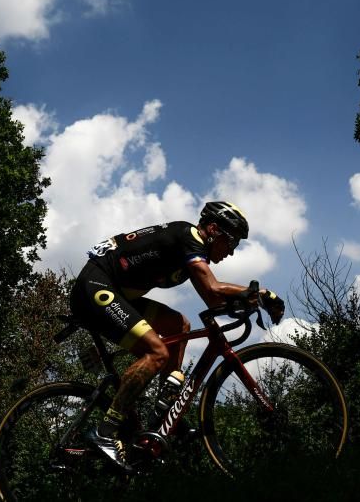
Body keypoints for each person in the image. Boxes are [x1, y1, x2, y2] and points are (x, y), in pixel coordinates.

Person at [69, 201, 285, 471]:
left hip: (116, 291)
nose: (231, 252)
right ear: (213, 230)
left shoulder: (191, 249)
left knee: (178, 325)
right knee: (157, 352)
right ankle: (106, 430)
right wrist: (260, 294)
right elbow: (214, 288)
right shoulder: (188, 237)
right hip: (95, 286)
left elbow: (213, 301)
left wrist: (245, 302)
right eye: (231, 243)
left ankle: (162, 409)